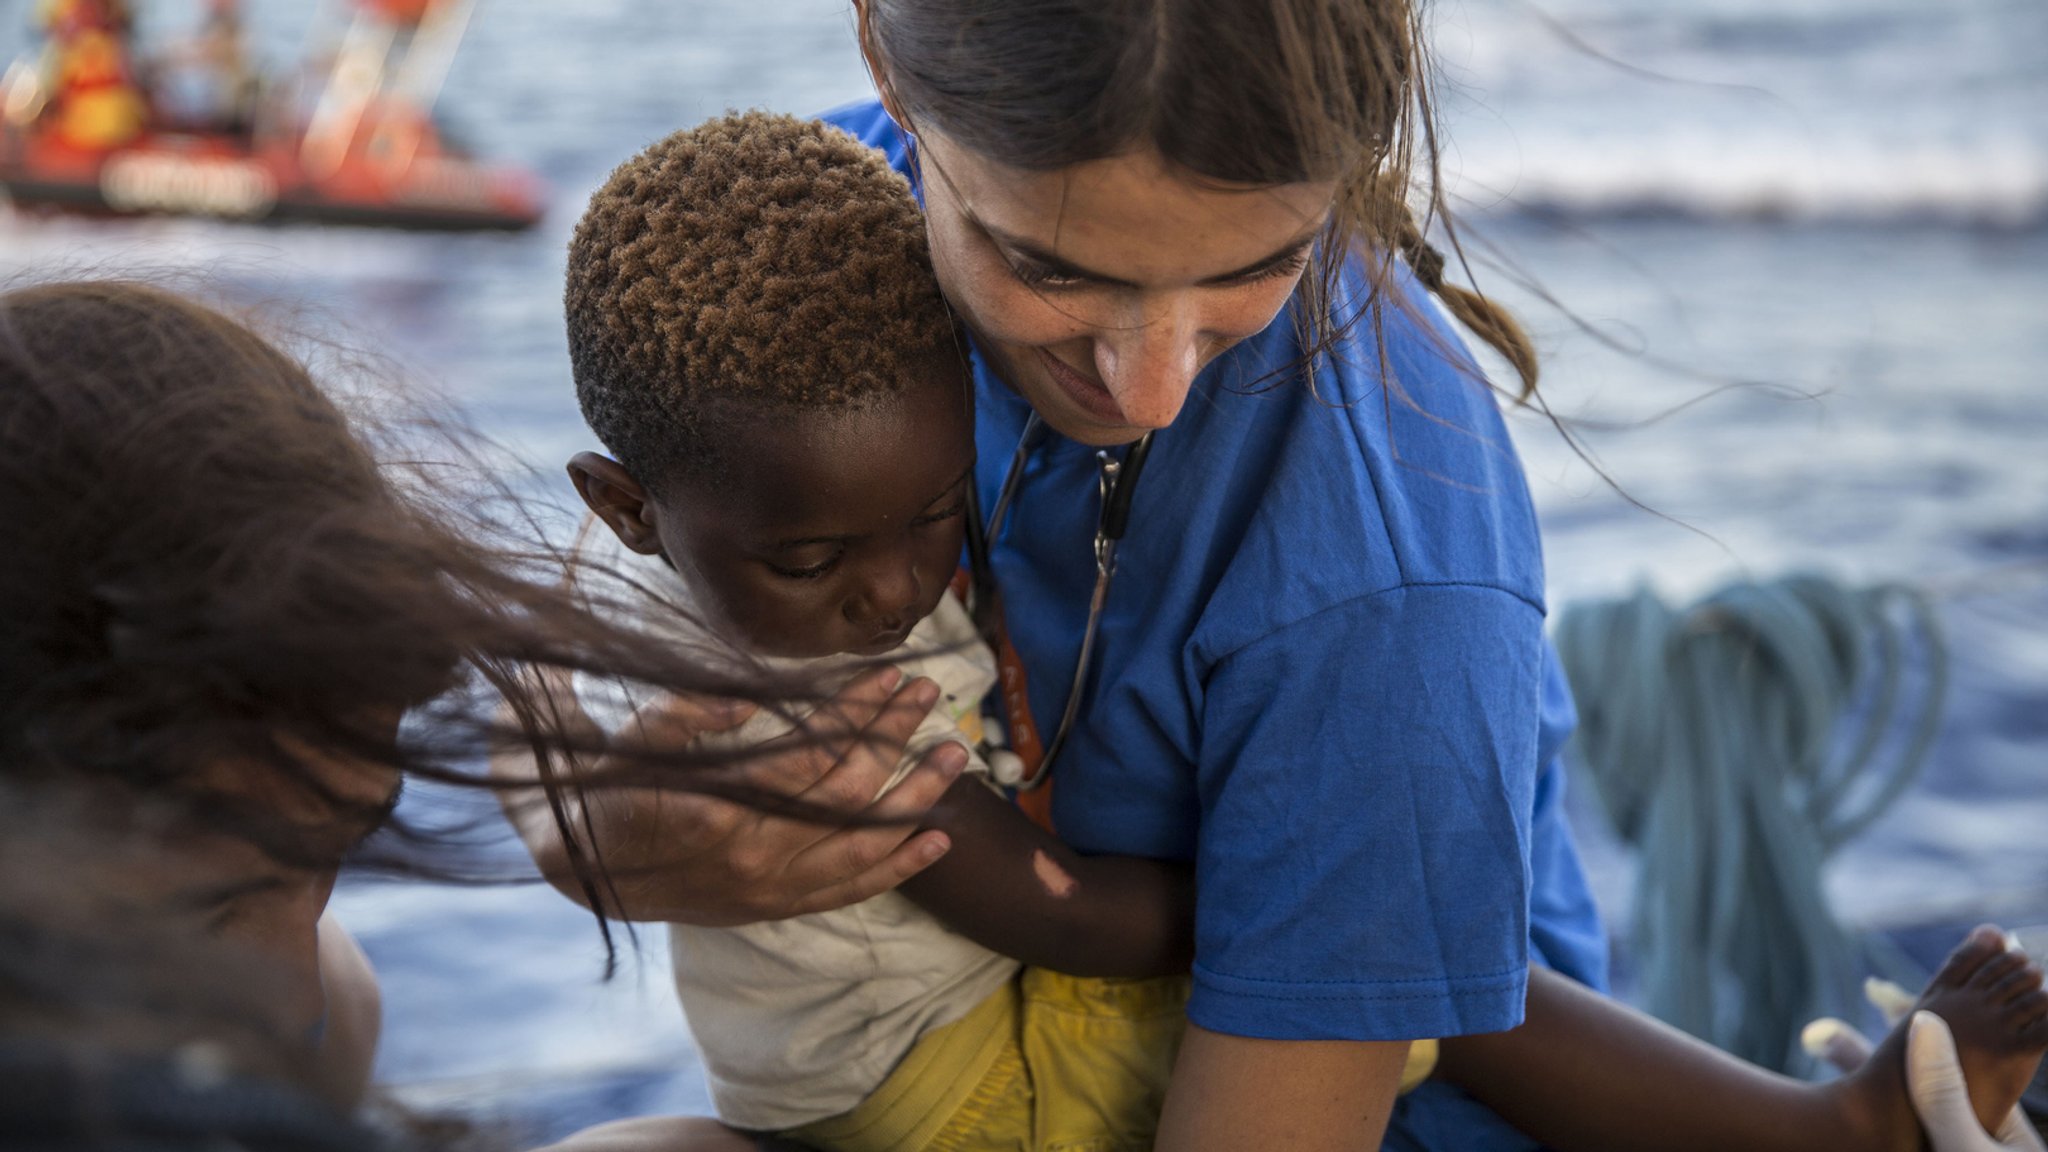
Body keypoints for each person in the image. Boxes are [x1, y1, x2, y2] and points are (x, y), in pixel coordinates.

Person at [509, 3, 2046, 1148]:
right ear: (892, 65)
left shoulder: (1391, 572)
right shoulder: (831, 237)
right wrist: (595, 827)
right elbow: (585, 637)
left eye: (1252, 265)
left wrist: (1252, 912)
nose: (1155, 381)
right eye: (1054, 272)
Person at [0, 279, 957, 1131]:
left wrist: (571, 824)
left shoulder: (316, 993)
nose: (293, 998)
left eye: (337, 860)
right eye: (212, 912)